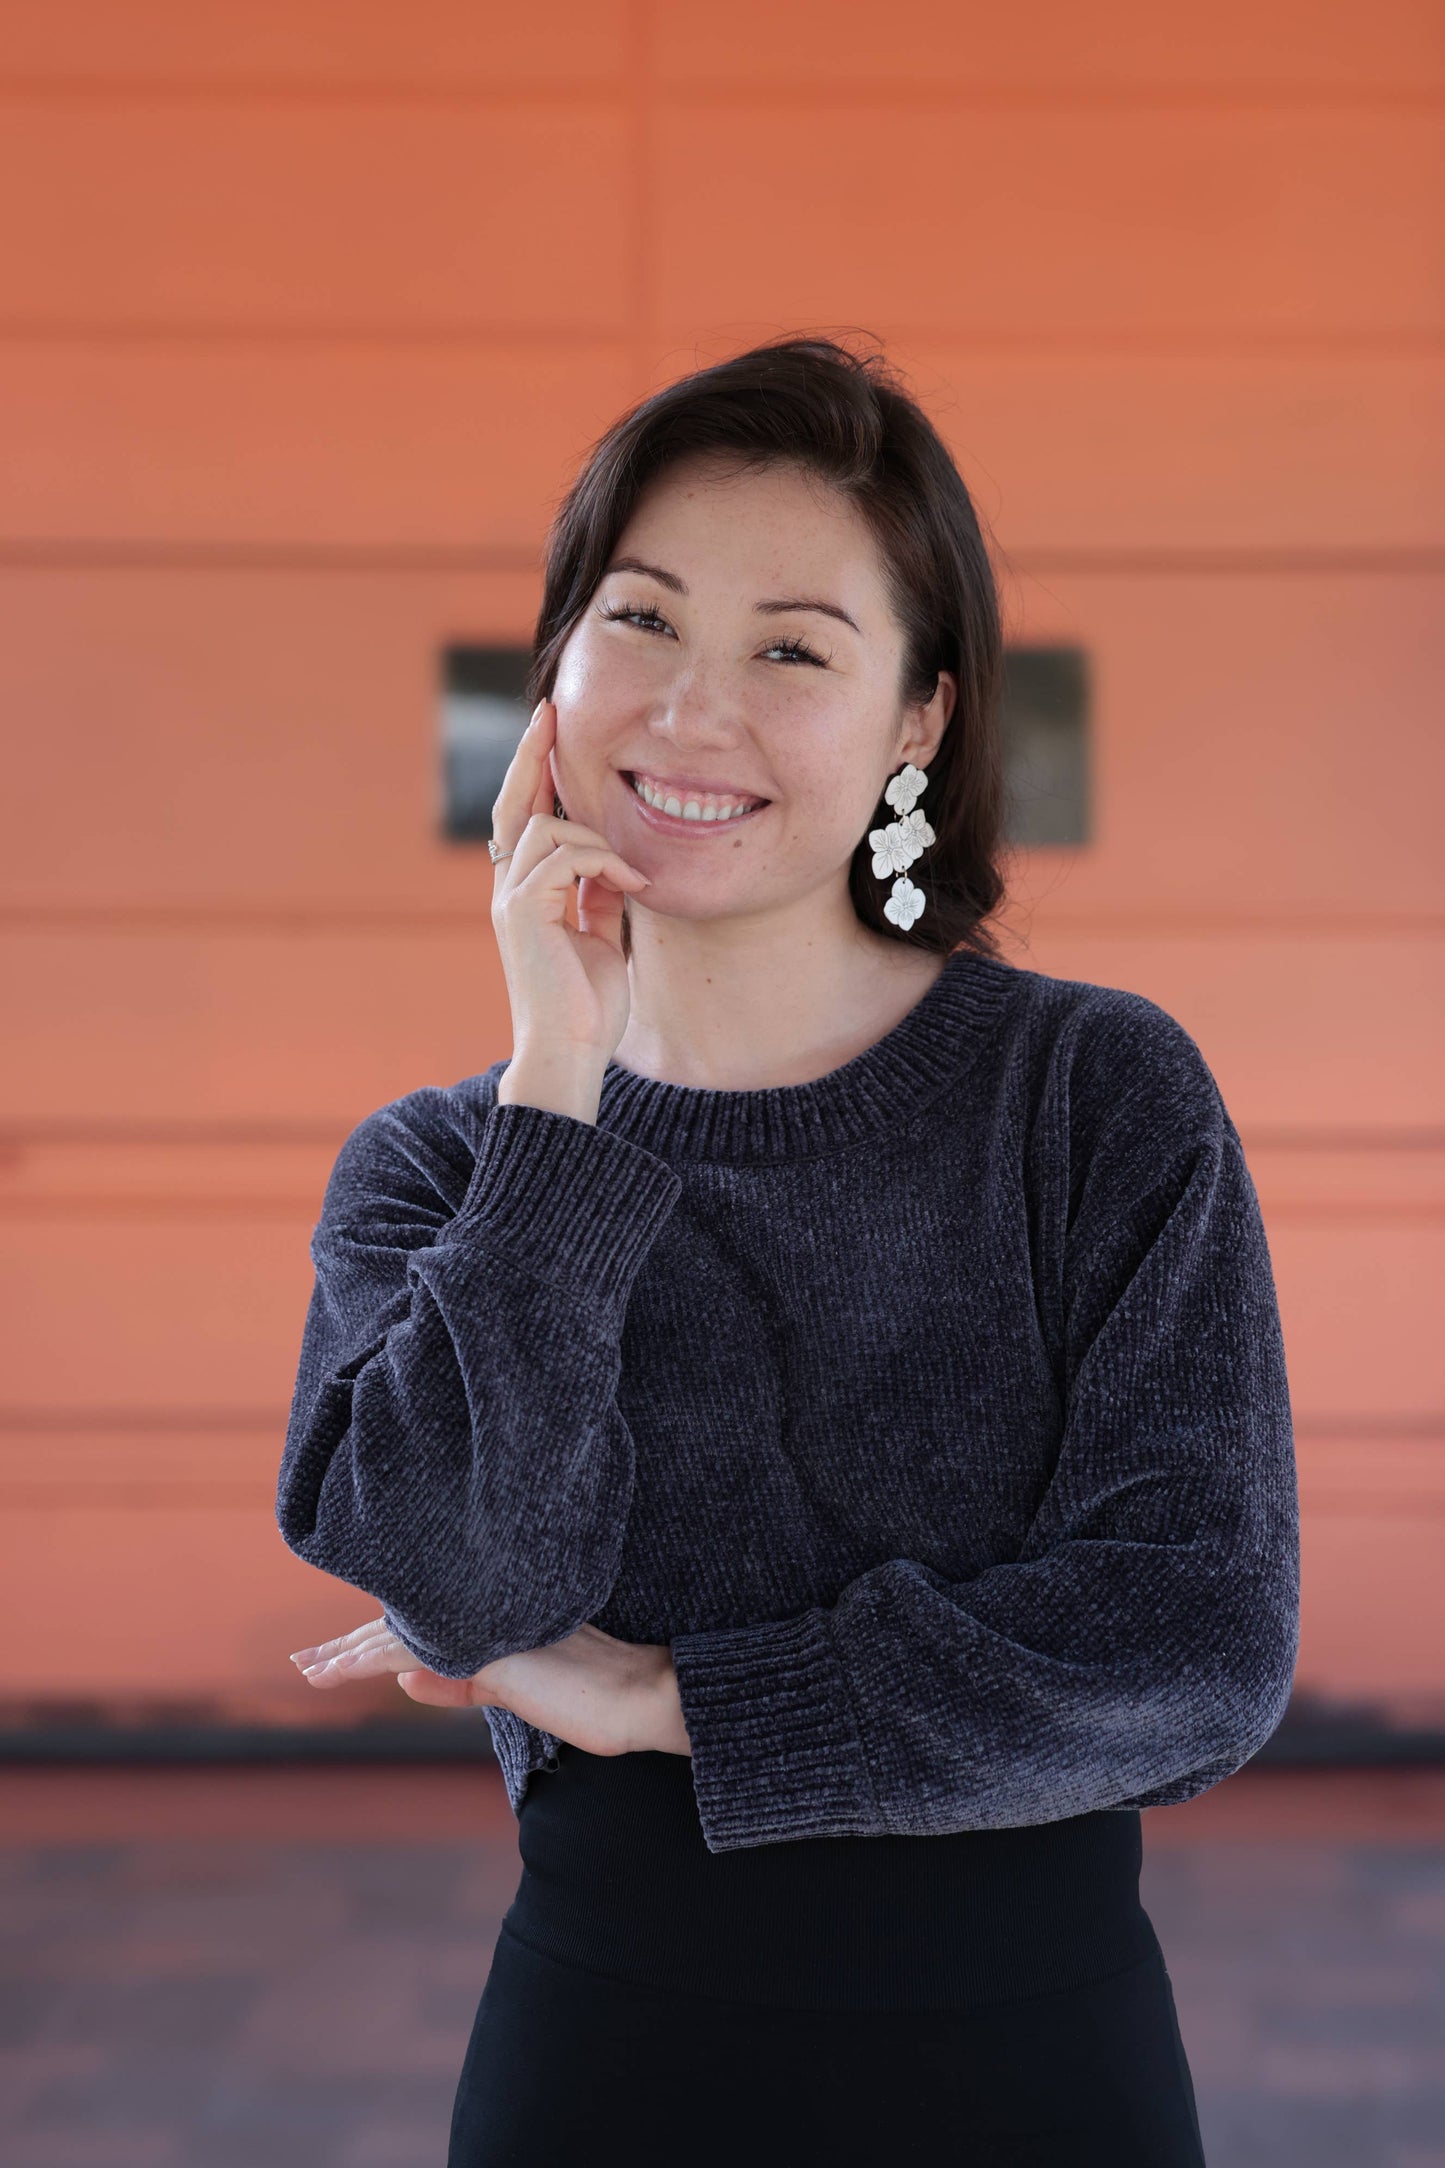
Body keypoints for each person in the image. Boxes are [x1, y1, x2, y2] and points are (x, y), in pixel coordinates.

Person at [276, 336, 1299, 2165]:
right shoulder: (442, 1167)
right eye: (641, 619)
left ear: (919, 719)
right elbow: (462, 1576)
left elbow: (1194, 1638)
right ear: (554, 668)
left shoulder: (1088, 1094)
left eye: (793, 650)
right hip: (604, 2064)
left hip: (1032, 2074)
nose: (689, 710)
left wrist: (672, 1698)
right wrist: (558, 1081)